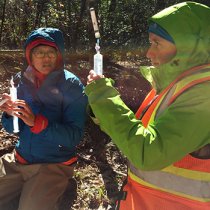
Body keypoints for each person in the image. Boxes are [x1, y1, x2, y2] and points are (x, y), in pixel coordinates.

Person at [85, 2, 210, 210]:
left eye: (157, 43)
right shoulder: (174, 85)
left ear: (189, 47)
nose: (148, 54)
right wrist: (101, 108)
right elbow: (135, 132)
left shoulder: (203, 93)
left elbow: (147, 153)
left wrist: (104, 99)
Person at [0, 27, 87, 210]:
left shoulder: (71, 85)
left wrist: (38, 123)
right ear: (30, 56)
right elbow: (13, 129)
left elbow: (74, 136)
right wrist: (9, 114)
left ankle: (63, 185)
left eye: (51, 52)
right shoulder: (20, 81)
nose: (46, 58)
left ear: (59, 56)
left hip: (53, 165)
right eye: (39, 52)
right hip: (20, 159)